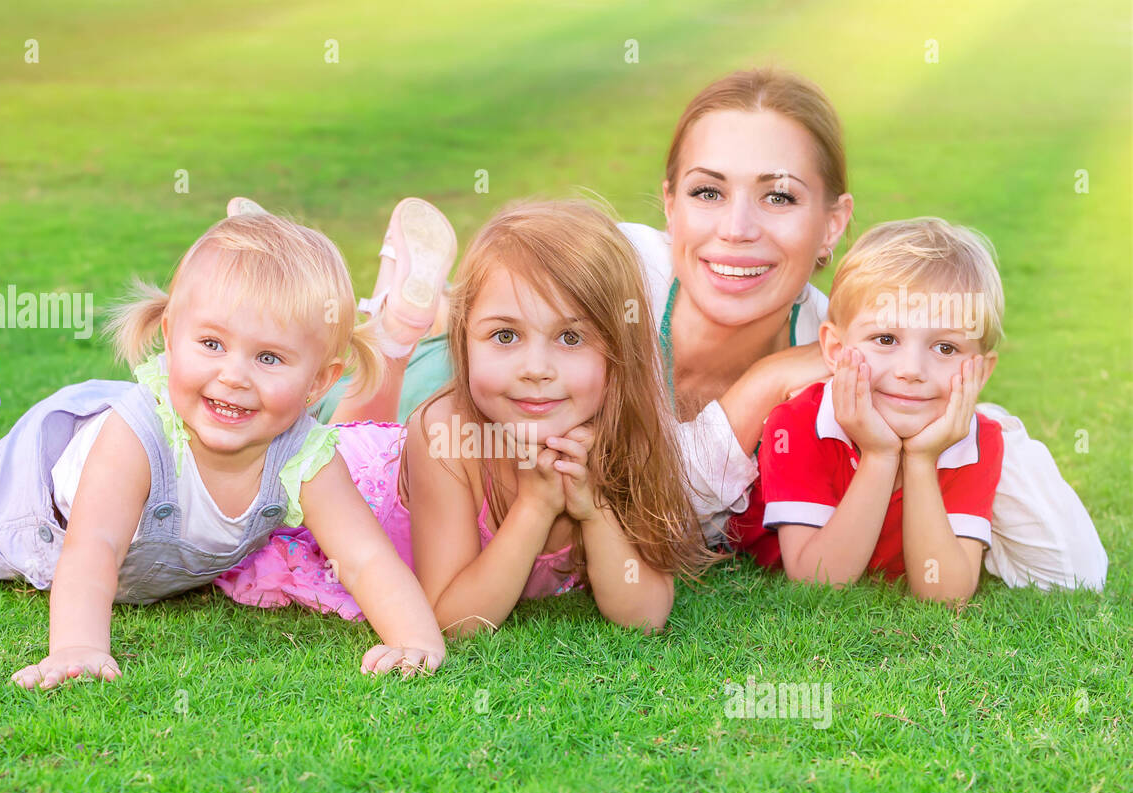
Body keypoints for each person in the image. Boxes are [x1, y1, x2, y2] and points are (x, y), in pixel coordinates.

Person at [316, 68, 1107, 590]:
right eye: (707, 192)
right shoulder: (623, 269)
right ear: (668, 203)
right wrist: (763, 384)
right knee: (343, 426)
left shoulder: (866, 352)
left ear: (833, 224)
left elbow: (1078, 570)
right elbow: (655, 492)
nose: (736, 230)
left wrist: (971, 420)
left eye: (780, 197)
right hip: (457, 384)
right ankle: (392, 328)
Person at [0, 212, 445, 687]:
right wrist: (79, 649)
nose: (234, 376)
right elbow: (95, 546)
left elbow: (366, 558)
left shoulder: (304, 456)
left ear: (320, 381)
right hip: (31, 499)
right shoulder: (138, 436)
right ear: (170, 337)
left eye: (268, 358)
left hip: (128, 528)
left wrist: (413, 638)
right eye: (211, 343)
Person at [216, 200, 715, 635]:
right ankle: (280, 270)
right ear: (463, 343)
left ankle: (388, 325)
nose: (536, 370)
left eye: (570, 338)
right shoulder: (445, 436)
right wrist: (535, 508)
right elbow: (452, 620)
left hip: (386, 459)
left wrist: (594, 509)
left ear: (617, 351)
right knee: (300, 429)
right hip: (355, 489)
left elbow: (644, 616)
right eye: (504, 335)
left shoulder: (627, 433)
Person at [729, 218, 1005, 604]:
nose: (911, 371)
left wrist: (922, 460)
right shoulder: (796, 423)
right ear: (836, 350)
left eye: (945, 348)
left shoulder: (977, 439)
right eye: (886, 339)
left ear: (981, 371)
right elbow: (818, 583)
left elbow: (945, 594)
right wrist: (880, 455)